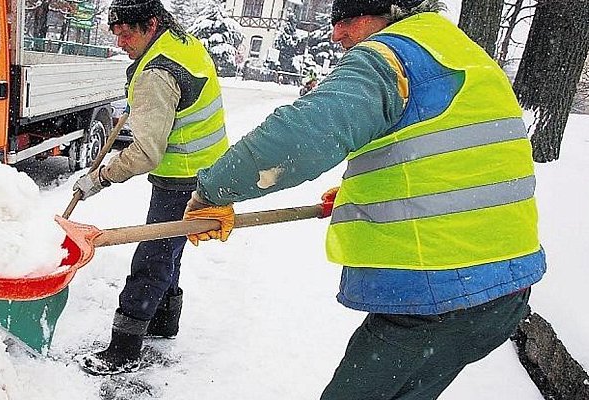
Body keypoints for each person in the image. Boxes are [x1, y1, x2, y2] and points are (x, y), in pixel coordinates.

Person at [182, 0, 547, 398]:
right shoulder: (462, 52)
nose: (337, 33)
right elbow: (464, 158)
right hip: (503, 292)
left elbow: (302, 138)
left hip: (440, 293)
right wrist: (371, 189)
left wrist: (212, 192)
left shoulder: (392, 55)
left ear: (389, 10)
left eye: (349, 18)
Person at [72, 0, 229, 375]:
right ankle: (163, 321)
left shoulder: (156, 73)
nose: (121, 42)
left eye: (128, 34)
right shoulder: (180, 43)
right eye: (116, 34)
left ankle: (123, 349)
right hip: (206, 168)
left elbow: (145, 153)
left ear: (151, 24)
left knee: (153, 256)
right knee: (168, 247)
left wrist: (100, 177)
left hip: (183, 176)